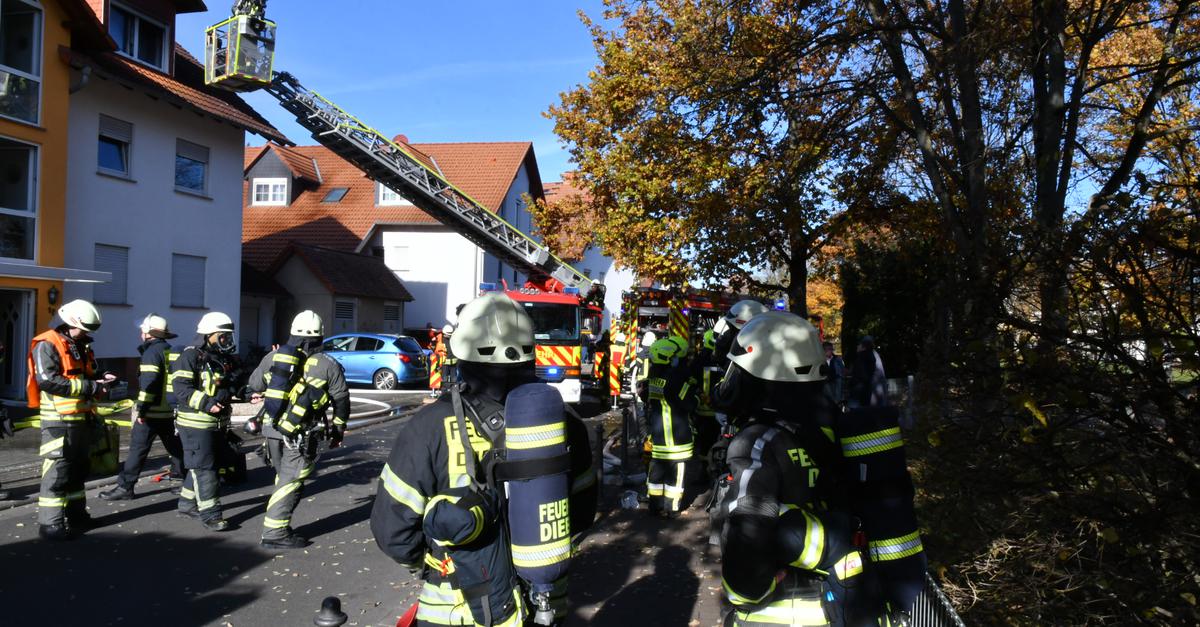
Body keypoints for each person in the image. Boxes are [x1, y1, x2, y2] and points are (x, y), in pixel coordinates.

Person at [370, 292, 597, 626]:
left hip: (457, 610)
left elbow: (392, 531)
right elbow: (581, 513)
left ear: (461, 354)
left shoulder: (429, 427)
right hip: (544, 605)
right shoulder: (565, 422)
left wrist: (433, 562)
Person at [712, 312, 868, 625]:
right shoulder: (827, 432)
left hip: (776, 614)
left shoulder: (757, 443)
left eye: (739, 370)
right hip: (835, 605)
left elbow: (748, 544)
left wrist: (745, 592)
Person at [248, 310, 349, 549]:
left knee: (282, 476)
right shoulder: (328, 364)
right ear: (320, 337)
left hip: (271, 430)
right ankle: (275, 531)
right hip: (301, 434)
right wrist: (338, 430)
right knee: (291, 480)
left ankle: (277, 523)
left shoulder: (275, 356)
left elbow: (254, 384)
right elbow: (341, 400)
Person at [27, 299, 116, 540]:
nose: (87, 333)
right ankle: (51, 525)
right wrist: (91, 386)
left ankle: (77, 515)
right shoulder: (47, 344)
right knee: (57, 473)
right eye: (84, 329)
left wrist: (102, 376)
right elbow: (48, 381)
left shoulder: (80, 344)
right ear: (71, 322)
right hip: (58, 422)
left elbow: (84, 373)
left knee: (78, 471)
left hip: (81, 418)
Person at [100, 314, 185, 501]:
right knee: (175, 447)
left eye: (143, 329)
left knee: (137, 450)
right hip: (167, 411)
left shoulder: (151, 353)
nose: (141, 332)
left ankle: (125, 487)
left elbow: (149, 383)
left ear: (148, 333)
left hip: (152, 412)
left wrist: (143, 409)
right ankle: (184, 481)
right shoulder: (169, 350)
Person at [172, 312, 240, 532]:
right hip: (195, 424)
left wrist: (246, 393)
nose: (227, 341)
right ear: (209, 335)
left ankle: (186, 503)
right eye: (223, 336)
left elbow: (227, 385)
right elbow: (182, 389)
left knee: (202, 466)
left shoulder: (219, 359)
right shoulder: (190, 356)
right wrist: (207, 404)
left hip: (215, 424)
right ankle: (211, 515)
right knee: (206, 469)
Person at [641, 336, 696, 517]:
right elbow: (689, 404)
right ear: (669, 357)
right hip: (677, 437)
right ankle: (672, 508)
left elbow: (646, 397)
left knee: (656, 473)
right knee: (676, 474)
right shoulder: (676, 380)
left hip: (658, 437)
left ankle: (655, 505)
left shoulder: (653, 378)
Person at [848, 336, 887, 408]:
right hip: (874, 390)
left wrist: (852, 383)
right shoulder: (874, 355)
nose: (857, 346)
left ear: (863, 346)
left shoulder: (862, 357)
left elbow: (862, 375)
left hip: (865, 390)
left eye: (859, 344)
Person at [822, 341, 846, 408]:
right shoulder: (821, 360)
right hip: (826, 381)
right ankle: (834, 405)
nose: (831, 351)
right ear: (824, 350)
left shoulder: (837, 359)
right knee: (826, 386)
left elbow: (843, 370)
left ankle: (836, 404)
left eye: (831, 349)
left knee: (839, 381)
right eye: (829, 349)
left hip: (836, 379)